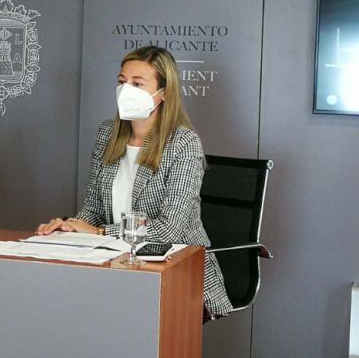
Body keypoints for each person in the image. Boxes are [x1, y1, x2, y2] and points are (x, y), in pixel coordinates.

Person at [34, 45, 232, 319]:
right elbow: (93, 208)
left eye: (138, 84)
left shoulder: (184, 143)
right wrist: (70, 228)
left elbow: (169, 229)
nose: (126, 90)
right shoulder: (108, 134)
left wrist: (100, 234)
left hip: (177, 271)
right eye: (122, 82)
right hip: (118, 264)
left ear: (163, 93)